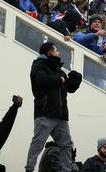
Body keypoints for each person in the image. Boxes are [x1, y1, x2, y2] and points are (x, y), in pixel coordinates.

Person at [25, 42, 83, 172]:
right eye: (56, 50)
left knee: (66, 144)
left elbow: (69, 88)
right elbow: (41, 79)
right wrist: (59, 80)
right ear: (49, 52)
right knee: (37, 144)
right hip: (45, 114)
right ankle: (29, 169)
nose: (59, 53)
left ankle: (66, 170)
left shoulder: (59, 71)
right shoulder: (38, 66)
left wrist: (75, 80)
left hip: (61, 116)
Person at [73, 15, 106, 90]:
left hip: (101, 76)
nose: (97, 23)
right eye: (94, 22)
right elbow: (77, 40)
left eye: (99, 22)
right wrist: (95, 35)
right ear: (90, 24)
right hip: (85, 74)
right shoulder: (82, 34)